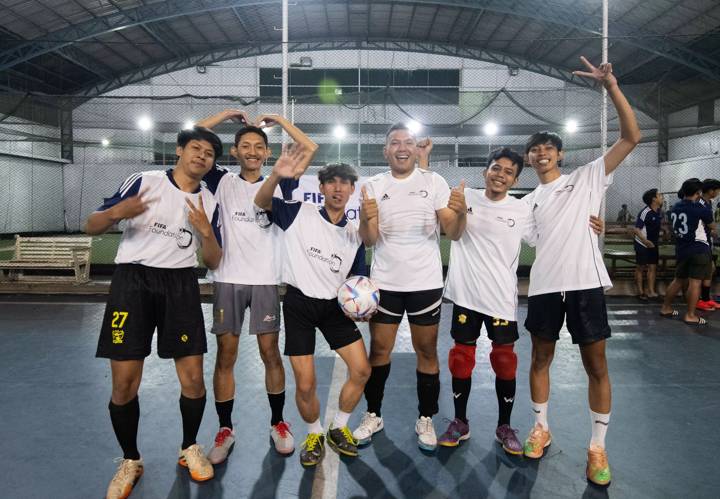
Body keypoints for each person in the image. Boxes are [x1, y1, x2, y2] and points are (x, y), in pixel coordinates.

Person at [521, 56, 641, 487]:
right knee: (539, 358)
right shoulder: (529, 201)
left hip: (586, 286)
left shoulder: (588, 177)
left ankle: (597, 447)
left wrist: (611, 85)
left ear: (560, 154)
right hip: (545, 289)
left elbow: (631, 136)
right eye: (534, 148)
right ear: (530, 158)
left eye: (548, 147)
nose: (541, 152)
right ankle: (540, 427)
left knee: (596, 365)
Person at [437, 147, 605, 454]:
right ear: (485, 171)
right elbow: (454, 233)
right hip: (465, 295)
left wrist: (591, 226)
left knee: (504, 363)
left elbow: (553, 232)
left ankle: (504, 426)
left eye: (508, 172)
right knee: (461, 360)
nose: (500, 175)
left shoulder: (522, 209)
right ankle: (460, 422)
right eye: (496, 169)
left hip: (501, 298)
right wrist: (459, 209)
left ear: (514, 180)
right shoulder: (466, 197)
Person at [87, 127, 223, 498]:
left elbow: (213, 260)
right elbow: (92, 225)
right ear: (179, 151)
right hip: (132, 283)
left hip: (181, 285)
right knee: (124, 383)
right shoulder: (144, 180)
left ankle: (189, 447)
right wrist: (118, 211)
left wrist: (206, 233)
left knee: (194, 379)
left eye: (209, 153)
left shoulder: (209, 200)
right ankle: (130, 459)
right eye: (195, 148)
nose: (201, 156)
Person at [195, 110, 317, 462]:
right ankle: (225, 429)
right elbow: (195, 135)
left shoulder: (282, 180)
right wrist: (225, 116)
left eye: (258, 147)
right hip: (228, 280)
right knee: (226, 357)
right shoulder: (221, 182)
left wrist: (279, 120)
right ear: (234, 152)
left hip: (265, 281)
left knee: (270, 354)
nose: (251, 151)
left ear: (266, 153)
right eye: (245, 146)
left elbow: (308, 146)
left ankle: (278, 423)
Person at [353, 123, 466, 452]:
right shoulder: (373, 185)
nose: (402, 147)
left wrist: (460, 215)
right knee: (379, 352)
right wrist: (364, 219)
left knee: (427, 352)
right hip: (385, 283)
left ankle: (426, 417)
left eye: (408, 142)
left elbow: (453, 232)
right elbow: (370, 239)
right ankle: (373, 414)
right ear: (385, 150)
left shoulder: (434, 182)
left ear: (417, 149)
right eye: (394, 142)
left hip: (425, 283)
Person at [255, 155, 372, 467]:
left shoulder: (355, 234)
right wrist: (276, 176)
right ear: (321, 188)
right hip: (300, 305)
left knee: (362, 370)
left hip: (334, 309)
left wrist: (360, 306)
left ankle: (338, 427)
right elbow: (262, 200)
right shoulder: (298, 213)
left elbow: (356, 282)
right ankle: (314, 433)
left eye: (344, 183)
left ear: (351, 191)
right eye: (331, 182)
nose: (338, 188)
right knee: (305, 384)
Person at [661, 179, 716, 325]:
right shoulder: (700, 208)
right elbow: (712, 226)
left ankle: (666, 308)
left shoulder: (675, 207)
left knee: (678, 280)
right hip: (698, 248)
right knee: (695, 283)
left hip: (682, 248)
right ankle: (690, 315)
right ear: (698, 193)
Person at [633, 189, 664, 300]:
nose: (661, 196)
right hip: (642, 243)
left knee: (652, 267)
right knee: (640, 267)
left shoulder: (659, 211)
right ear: (654, 199)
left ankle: (651, 291)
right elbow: (636, 229)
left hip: (653, 243)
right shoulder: (645, 212)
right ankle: (640, 292)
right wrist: (645, 241)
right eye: (659, 195)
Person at [697, 178, 720, 310]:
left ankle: (705, 299)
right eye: (717, 190)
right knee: (702, 271)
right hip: (699, 242)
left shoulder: (708, 203)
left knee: (710, 270)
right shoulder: (699, 203)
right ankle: (700, 299)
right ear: (711, 190)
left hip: (706, 240)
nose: (718, 192)